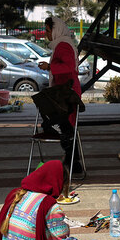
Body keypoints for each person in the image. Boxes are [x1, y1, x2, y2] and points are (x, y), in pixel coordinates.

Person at [37, 17, 83, 173]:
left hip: (67, 93)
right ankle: (73, 161)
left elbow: (69, 67)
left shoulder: (63, 45)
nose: (46, 34)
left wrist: (50, 66)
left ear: (56, 31)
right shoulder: (62, 44)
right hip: (64, 92)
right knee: (67, 128)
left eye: (48, 31)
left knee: (67, 127)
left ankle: (73, 162)